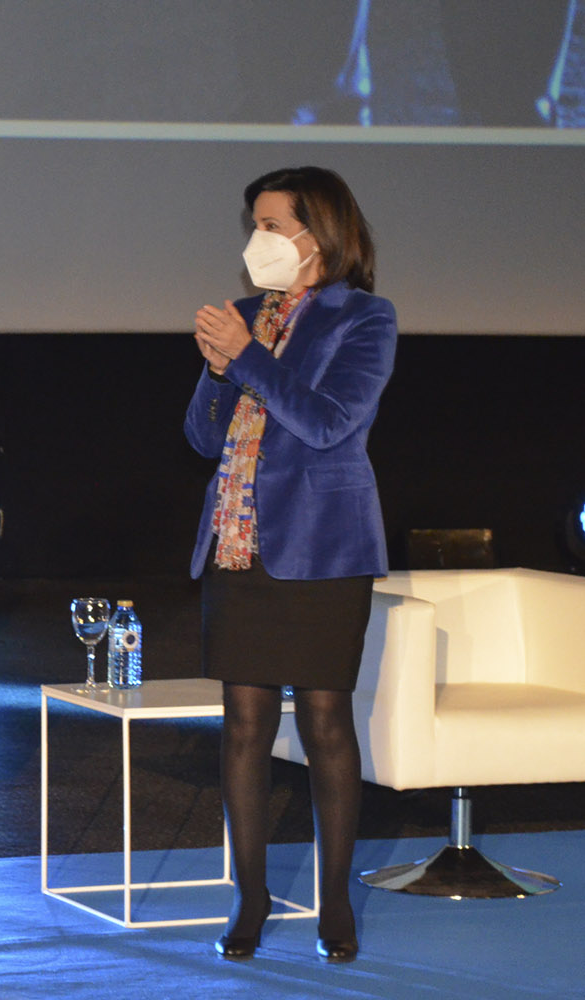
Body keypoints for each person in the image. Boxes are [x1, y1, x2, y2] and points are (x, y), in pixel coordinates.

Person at [184, 166, 396, 964]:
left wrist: (248, 360)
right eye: (256, 224)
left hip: (322, 549)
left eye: (272, 225)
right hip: (238, 543)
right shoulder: (243, 316)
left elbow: (329, 423)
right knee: (243, 726)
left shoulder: (364, 318)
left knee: (324, 723)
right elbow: (205, 438)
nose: (258, 241)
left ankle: (334, 903)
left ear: (318, 233)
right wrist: (217, 369)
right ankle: (251, 898)